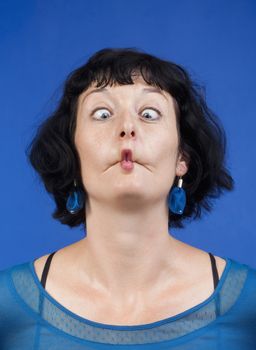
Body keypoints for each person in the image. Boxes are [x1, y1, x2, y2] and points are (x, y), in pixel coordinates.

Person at [1, 47, 256, 349]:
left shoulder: (249, 307)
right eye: (102, 113)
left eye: (149, 113)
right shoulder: (7, 308)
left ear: (181, 159)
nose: (127, 127)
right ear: (72, 154)